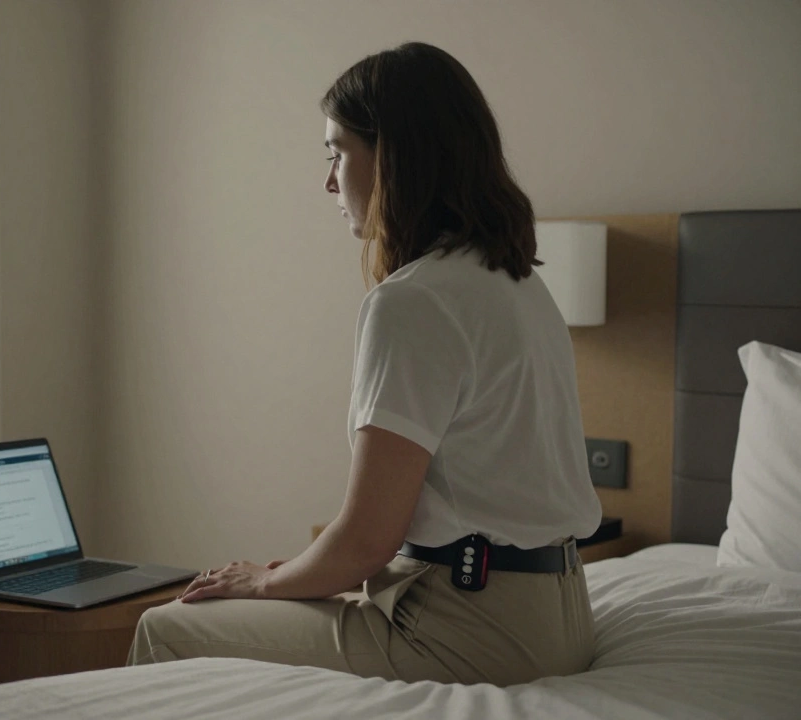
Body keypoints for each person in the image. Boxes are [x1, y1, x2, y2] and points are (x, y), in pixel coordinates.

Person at [127, 42, 602, 686]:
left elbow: (364, 543)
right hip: (559, 615)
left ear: (396, 155)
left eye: (337, 152)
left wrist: (263, 581)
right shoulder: (516, 282)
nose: (329, 180)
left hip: (469, 625)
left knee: (167, 626)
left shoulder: (414, 302)